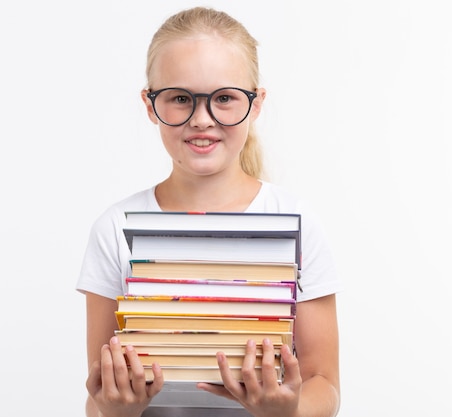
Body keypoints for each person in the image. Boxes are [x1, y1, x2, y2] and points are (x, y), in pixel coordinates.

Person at [77, 6, 342, 417]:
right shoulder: (115, 228)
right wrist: (116, 411)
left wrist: (286, 413)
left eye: (224, 98)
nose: (203, 120)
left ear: (255, 105)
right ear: (150, 105)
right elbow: (99, 400)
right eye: (181, 98)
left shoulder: (298, 222)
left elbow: (324, 383)